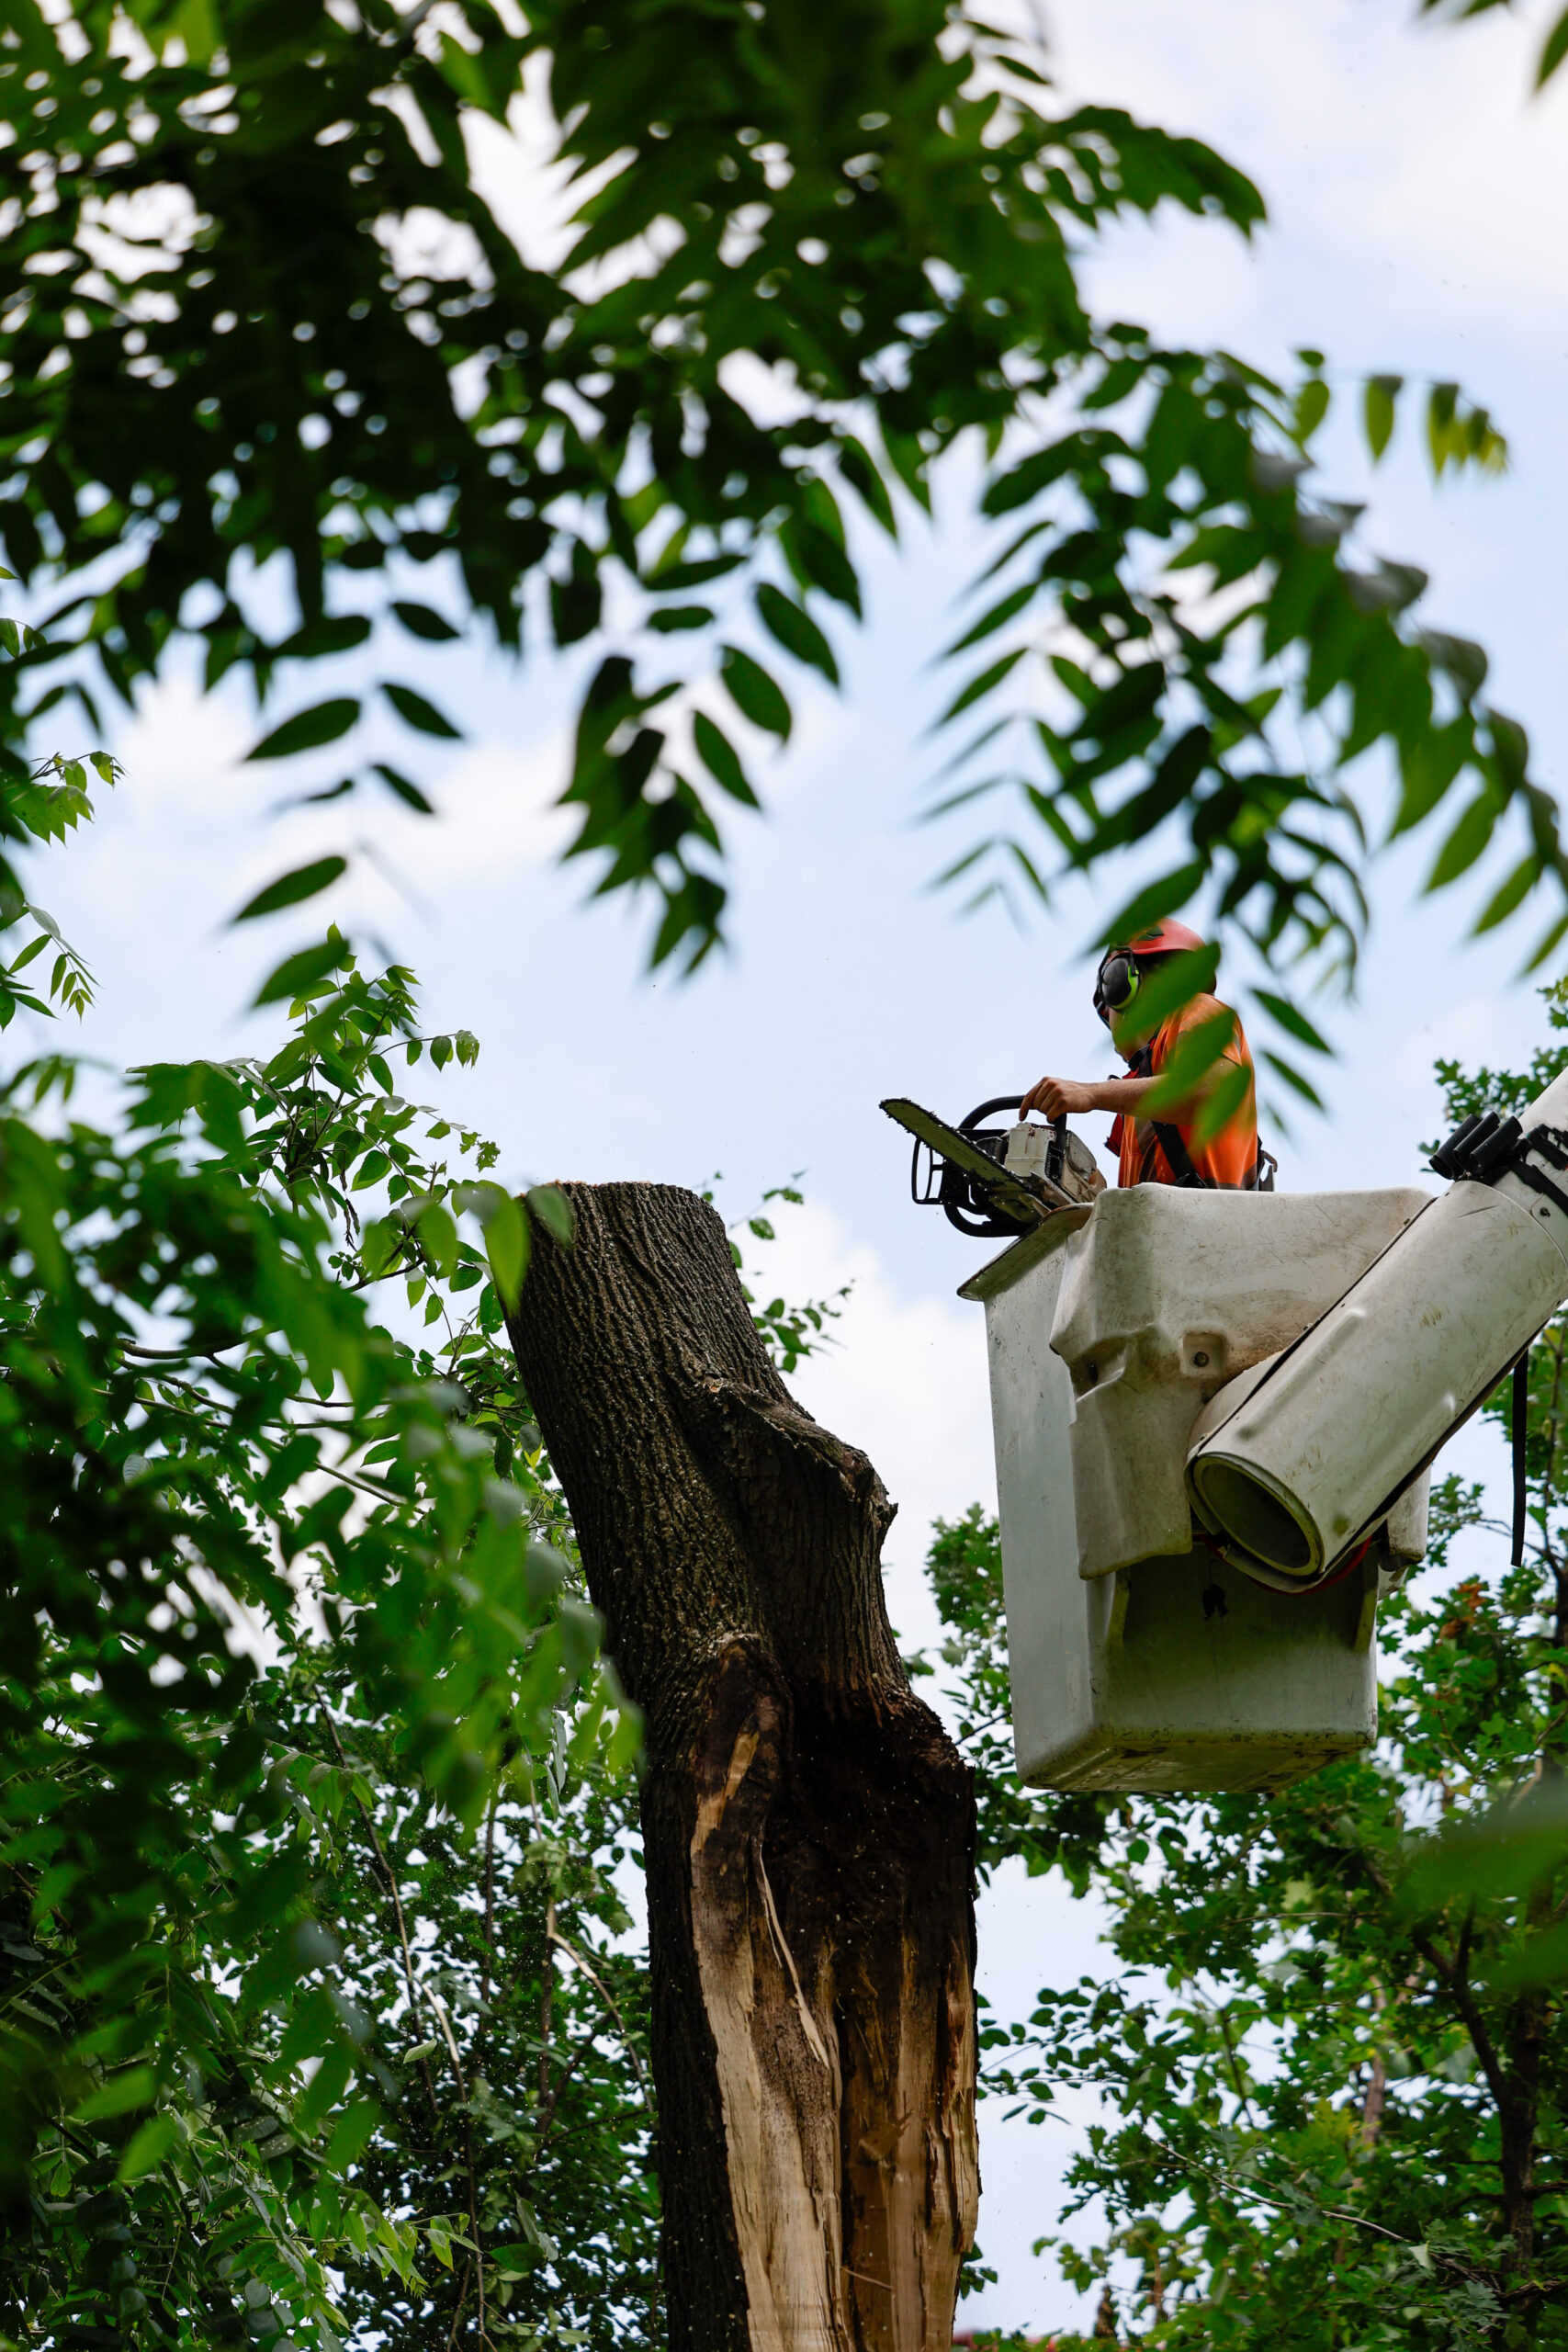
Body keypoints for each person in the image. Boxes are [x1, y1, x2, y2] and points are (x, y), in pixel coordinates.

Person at [1021, 920, 1269, 1190]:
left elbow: (1213, 1090)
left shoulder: (1199, 1010)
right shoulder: (1138, 1100)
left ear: (1121, 984)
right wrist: (1091, 1195)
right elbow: (1146, 1209)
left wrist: (1092, 1093)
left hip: (1211, 1225)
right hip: (1173, 1229)